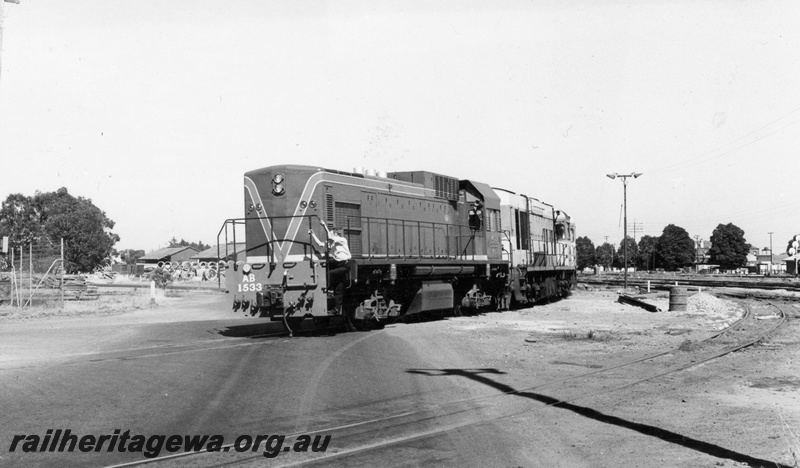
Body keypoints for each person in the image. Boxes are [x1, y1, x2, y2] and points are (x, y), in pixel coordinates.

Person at [310, 220, 352, 326]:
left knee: (329, 273)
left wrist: (324, 225)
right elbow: (320, 244)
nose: (331, 234)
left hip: (345, 265)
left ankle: (328, 289)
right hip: (339, 266)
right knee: (339, 289)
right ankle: (337, 309)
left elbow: (330, 236)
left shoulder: (342, 240)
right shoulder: (331, 244)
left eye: (332, 232)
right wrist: (313, 234)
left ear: (335, 233)